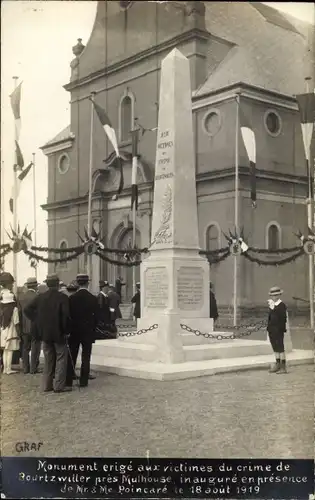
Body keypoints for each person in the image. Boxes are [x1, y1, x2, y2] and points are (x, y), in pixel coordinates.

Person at [24, 274, 72, 393]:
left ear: (47, 284)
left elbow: (26, 309)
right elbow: (66, 317)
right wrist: (67, 331)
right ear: (57, 284)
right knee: (61, 358)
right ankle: (59, 385)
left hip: (45, 333)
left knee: (48, 360)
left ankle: (47, 385)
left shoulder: (41, 297)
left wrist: (37, 320)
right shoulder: (63, 297)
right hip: (59, 333)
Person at [66, 274, 99, 388]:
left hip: (74, 332)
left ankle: (68, 380)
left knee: (72, 356)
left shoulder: (71, 298)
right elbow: (96, 318)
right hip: (87, 331)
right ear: (87, 283)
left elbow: (68, 316)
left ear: (78, 283)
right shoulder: (93, 298)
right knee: (86, 356)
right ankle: (83, 381)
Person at [18, 277, 42, 374]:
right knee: (35, 347)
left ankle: (25, 368)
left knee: (25, 347)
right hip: (35, 325)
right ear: (36, 286)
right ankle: (33, 368)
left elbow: (19, 313)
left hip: (24, 326)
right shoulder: (38, 297)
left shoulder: (21, 297)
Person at [267, 286, 288, 374]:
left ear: (279, 295)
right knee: (275, 347)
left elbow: (282, 318)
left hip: (278, 329)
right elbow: (270, 317)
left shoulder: (281, 305)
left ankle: (283, 366)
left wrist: (273, 308)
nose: (274, 297)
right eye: (272, 295)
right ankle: (277, 363)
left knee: (280, 347)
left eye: (276, 295)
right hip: (272, 329)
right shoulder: (272, 305)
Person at [0, 290, 21, 375]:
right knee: (10, 351)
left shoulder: (2, 309)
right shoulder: (14, 309)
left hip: (3, 330)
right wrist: (19, 334)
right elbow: (16, 322)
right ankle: (8, 369)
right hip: (12, 331)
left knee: (5, 350)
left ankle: (5, 369)